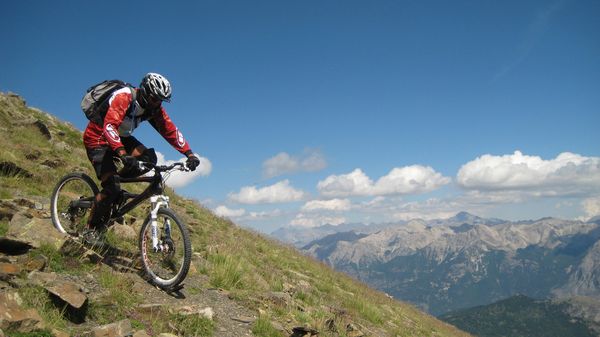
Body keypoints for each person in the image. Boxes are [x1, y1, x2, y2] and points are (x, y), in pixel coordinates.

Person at [82, 72, 200, 237]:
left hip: (121, 138)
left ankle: (114, 186)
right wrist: (122, 153)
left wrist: (189, 154)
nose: (157, 104)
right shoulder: (124, 97)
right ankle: (90, 230)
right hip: (98, 139)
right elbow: (109, 126)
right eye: (154, 99)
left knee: (149, 158)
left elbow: (170, 130)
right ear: (144, 91)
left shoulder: (154, 108)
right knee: (111, 187)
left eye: (160, 100)